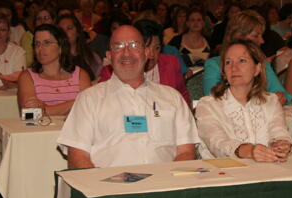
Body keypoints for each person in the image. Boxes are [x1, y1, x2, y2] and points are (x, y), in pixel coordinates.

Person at [57, 25, 200, 168]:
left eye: (133, 45)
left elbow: (186, 152)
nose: (126, 53)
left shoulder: (172, 98)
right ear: (108, 56)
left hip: (163, 184)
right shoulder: (89, 99)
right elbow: (78, 156)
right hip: (108, 186)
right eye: (118, 46)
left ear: (147, 52)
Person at [196, 40, 292, 161]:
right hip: (224, 174)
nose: (234, 68)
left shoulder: (271, 101)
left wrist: (281, 145)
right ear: (224, 73)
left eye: (242, 61)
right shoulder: (207, 105)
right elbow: (217, 142)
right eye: (228, 62)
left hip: (266, 170)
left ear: (257, 69)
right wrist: (249, 151)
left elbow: (279, 131)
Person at [203, 10, 292, 105]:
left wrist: (281, 96)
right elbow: (212, 99)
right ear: (238, 37)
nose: (262, 41)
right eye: (256, 36)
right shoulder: (215, 65)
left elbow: (283, 95)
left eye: (261, 35)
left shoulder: (262, 63)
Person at [98, 19, 191, 105]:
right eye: (147, 47)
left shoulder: (171, 63)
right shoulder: (112, 71)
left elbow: (183, 96)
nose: (151, 54)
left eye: (157, 48)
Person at [17, 24, 91, 116]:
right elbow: (29, 114)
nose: (40, 48)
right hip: (41, 130)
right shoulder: (27, 76)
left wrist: (45, 109)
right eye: (37, 44)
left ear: (61, 47)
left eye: (46, 43)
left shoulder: (80, 75)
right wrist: (76, 103)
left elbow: (89, 108)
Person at [57, 14, 102, 81]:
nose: (64, 32)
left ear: (77, 32)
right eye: (61, 30)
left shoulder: (92, 57)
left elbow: (100, 81)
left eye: (69, 28)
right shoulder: (54, 59)